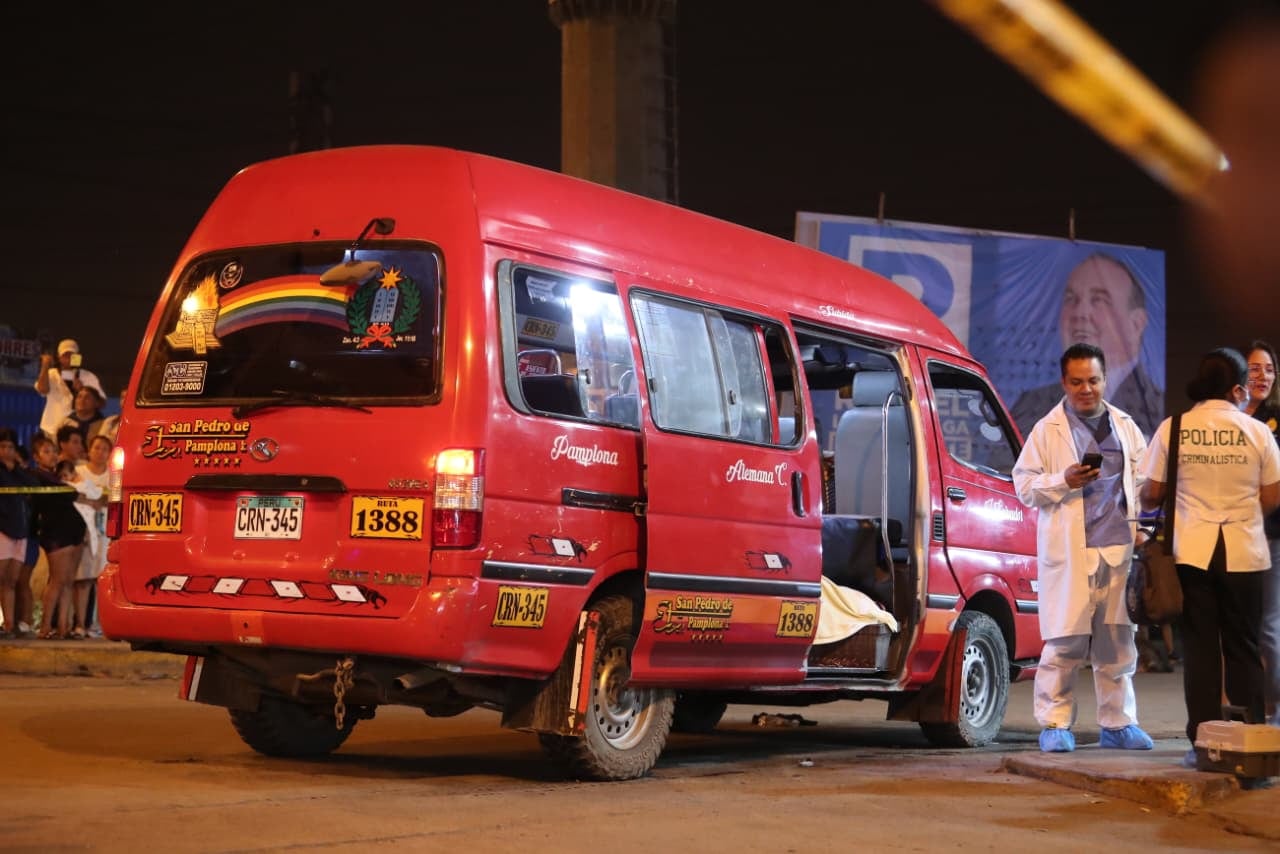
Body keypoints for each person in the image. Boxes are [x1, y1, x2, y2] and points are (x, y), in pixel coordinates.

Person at [1140, 348, 1280, 768]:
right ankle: (1250, 737)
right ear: (1237, 388)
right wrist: (1237, 508)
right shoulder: (1257, 432)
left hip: (1194, 552)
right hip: (1246, 552)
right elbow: (1273, 495)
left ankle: (1201, 741)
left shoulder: (1175, 427)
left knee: (1200, 648)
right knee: (1243, 644)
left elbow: (1151, 493)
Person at [1012, 342, 1153, 752]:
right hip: (1071, 553)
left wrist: (1143, 529)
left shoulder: (1126, 426)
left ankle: (1118, 723)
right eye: (1077, 382)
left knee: (1117, 642)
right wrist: (1063, 480)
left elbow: (1141, 485)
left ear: (1105, 379)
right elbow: (1023, 485)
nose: (1086, 389)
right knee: (1064, 643)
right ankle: (1055, 723)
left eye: (1093, 380)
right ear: (1064, 382)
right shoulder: (1047, 429)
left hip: (1119, 549)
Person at [1011, 254, 1163, 440]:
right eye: (1071, 299)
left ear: (1136, 325)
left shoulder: (1159, 410)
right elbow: (1005, 466)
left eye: (1099, 300)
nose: (1080, 313)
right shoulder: (1030, 404)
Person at [1240, 340, 1280, 725]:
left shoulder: (1276, 421)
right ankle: (1240, 709)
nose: (1262, 376)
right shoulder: (1225, 417)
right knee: (1237, 628)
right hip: (1229, 538)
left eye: (1269, 369)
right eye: (1254, 368)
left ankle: (1275, 709)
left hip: (1270, 536)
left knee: (1268, 626)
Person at [29, 433, 87, 639]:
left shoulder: (59, 474)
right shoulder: (37, 476)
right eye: (46, 451)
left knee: (68, 582)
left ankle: (64, 626)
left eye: (54, 451)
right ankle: (45, 626)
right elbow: (69, 494)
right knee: (57, 580)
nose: (52, 455)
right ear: (36, 456)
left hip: (74, 532)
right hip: (56, 534)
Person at [0, 428, 37, 639]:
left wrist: (16, 468)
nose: (6, 451)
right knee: (1, 579)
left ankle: (9, 625)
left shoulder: (18, 473)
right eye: (2, 447)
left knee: (12, 581)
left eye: (10, 447)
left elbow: (33, 485)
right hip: (3, 530)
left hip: (20, 531)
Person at [73, 434, 111, 638]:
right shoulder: (80, 472)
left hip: (105, 533)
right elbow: (74, 495)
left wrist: (99, 500)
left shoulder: (113, 475)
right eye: (97, 448)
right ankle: (80, 624)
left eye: (105, 449)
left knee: (101, 580)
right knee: (83, 579)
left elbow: (114, 498)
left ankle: (98, 625)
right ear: (89, 450)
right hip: (84, 531)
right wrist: (94, 500)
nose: (100, 452)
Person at [34, 338, 103, 440]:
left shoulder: (88, 376)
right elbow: (42, 389)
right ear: (59, 357)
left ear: (78, 356)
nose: (69, 358)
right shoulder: (51, 374)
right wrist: (45, 365)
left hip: (77, 427)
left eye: (72, 355)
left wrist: (82, 391)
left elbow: (102, 402)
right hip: (52, 426)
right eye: (65, 355)